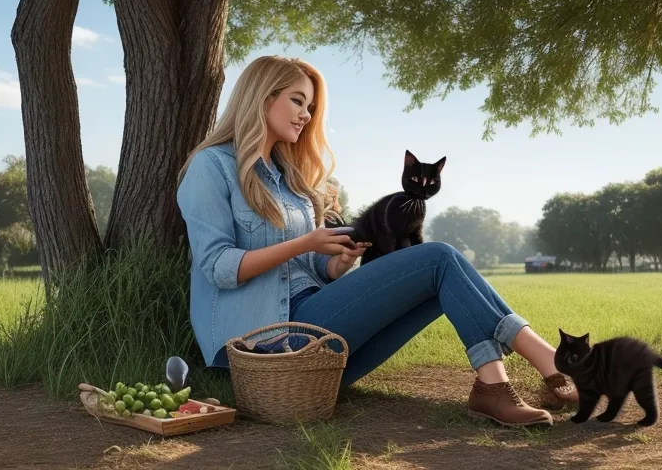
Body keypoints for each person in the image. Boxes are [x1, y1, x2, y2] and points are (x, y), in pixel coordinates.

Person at [176, 55, 578, 427]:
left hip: (319, 346)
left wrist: (333, 264)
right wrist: (305, 244)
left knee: (441, 283)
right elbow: (218, 268)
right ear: (263, 98)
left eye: (311, 106)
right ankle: (547, 363)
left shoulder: (291, 181)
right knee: (437, 258)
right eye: (297, 101)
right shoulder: (211, 167)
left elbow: (303, 267)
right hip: (269, 346)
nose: (306, 114)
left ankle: (492, 385)